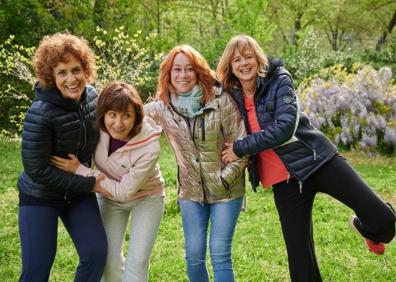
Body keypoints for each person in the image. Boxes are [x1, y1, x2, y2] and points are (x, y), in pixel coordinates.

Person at [217, 35, 396, 282]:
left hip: (318, 160)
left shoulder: (279, 79)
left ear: (259, 59)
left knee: (385, 220)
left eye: (248, 57)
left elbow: (285, 127)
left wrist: (240, 147)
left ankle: (366, 228)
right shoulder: (230, 94)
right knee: (301, 263)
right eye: (237, 59)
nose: (244, 63)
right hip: (282, 181)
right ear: (230, 65)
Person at [144, 44, 247, 282]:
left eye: (189, 69)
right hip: (190, 193)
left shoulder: (221, 101)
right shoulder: (163, 107)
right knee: (193, 257)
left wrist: (224, 177)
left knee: (220, 254)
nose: (183, 75)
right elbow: (128, 115)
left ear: (198, 71)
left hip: (226, 190)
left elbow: (242, 144)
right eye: (177, 70)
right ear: (168, 74)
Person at [50, 81, 165, 282]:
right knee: (108, 260)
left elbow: (124, 192)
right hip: (108, 196)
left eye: (126, 115)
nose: (118, 123)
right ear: (103, 113)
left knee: (137, 262)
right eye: (112, 114)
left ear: (136, 116)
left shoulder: (150, 146)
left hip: (146, 198)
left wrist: (82, 172)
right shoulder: (97, 128)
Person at [17, 33, 109, 282]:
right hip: (40, 196)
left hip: (78, 196)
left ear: (85, 69)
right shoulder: (40, 113)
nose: (71, 79)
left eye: (76, 70)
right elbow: (37, 170)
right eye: (62, 73)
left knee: (96, 254)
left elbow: (116, 124)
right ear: (51, 76)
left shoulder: (92, 97)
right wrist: (87, 182)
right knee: (36, 270)